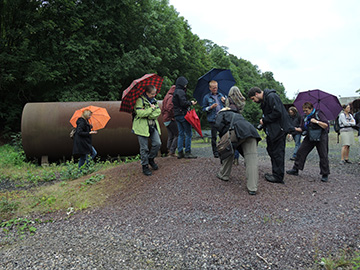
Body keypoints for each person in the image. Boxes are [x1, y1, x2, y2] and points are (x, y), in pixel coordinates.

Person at [215, 86, 261, 195]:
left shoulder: (222, 113)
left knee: (228, 148)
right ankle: (252, 187)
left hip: (235, 131)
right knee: (252, 159)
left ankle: (224, 174)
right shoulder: (239, 114)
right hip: (251, 131)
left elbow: (218, 126)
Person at [248, 87, 293, 184]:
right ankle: (275, 173)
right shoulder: (266, 99)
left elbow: (277, 112)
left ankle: (278, 176)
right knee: (272, 150)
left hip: (279, 130)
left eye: (253, 99)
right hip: (273, 130)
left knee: (278, 153)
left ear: (256, 94)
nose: (254, 101)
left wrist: (265, 120)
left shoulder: (272, 96)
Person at [286, 102, 330, 182]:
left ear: (311, 109)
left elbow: (326, 125)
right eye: (304, 110)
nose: (305, 112)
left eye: (306, 110)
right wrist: (293, 129)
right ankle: (296, 169)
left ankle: (325, 174)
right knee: (301, 151)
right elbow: (302, 129)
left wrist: (316, 121)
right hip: (310, 135)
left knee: (323, 154)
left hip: (321, 135)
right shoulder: (304, 117)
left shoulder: (319, 113)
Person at [132, 85, 162, 176]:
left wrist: (148, 113)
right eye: (152, 94)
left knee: (157, 143)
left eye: (155, 93)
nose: (154, 95)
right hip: (141, 127)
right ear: (147, 93)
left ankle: (151, 159)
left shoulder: (154, 101)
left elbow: (158, 112)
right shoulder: (139, 100)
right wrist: (151, 109)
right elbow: (140, 113)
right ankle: (145, 166)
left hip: (152, 125)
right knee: (144, 148)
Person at [172, 76, 197, 159]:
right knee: (188, 133)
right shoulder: (181, 92)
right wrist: (191, 103)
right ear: (182, 84)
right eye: (185, 84)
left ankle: (180, 152)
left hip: (177, 115)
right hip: (183, 114)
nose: (186, 86)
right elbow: (183, 103)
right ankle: (187, 152)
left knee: (181, 133)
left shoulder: (175, 92)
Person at [202, 80, 226, 158]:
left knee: (223, 135)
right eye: (213, 88)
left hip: (221, 118)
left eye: (216, 87)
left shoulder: (221, 95)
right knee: (214, 137)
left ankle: (222, 150)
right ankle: (215, 152)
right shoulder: (206, 97)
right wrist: (210, 107)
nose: (215, 89)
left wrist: (225, 101)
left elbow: (226, 105)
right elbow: (203, 109)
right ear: (210, 88)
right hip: (212, 119)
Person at [161, 85, 178, 157]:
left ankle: (168, 149)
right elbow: (169, 108)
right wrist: (173, 115)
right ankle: (172, 151)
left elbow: (163, 109)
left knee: (171, 135)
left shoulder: (166, 97)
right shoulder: (171, 97)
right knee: (178, 134)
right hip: (170, 118)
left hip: (165, 119)